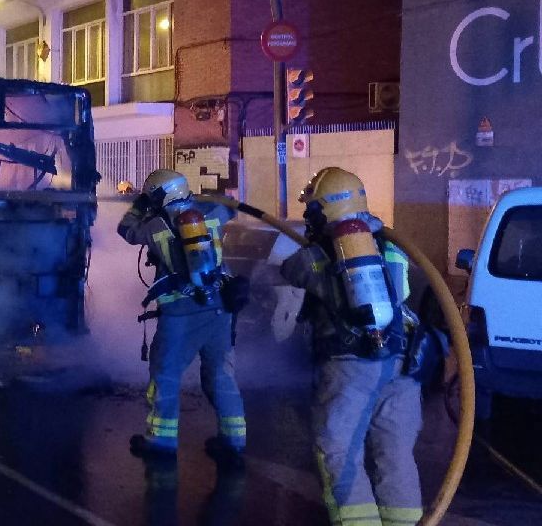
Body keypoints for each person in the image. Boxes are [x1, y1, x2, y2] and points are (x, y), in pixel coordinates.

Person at [280, 167, 423, 526]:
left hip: (351, 365)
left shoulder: (321, 254)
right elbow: (403, 294)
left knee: (339, 451)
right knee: (396, 453)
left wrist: (317, 242)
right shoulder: (389, 247)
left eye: (311, 209)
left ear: (322, 209)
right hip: (402, 361)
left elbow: (289, 269)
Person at [119, 169, 247, 466]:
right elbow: (232, 207)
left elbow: (125, 230)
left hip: (181, 312)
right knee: (221, 374)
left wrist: (139, 205)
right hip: (219, 308)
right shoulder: (212, 212)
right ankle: (234, 440)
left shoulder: (154, 225)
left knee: (165, 374)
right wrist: (203, 197)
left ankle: (161, 441)